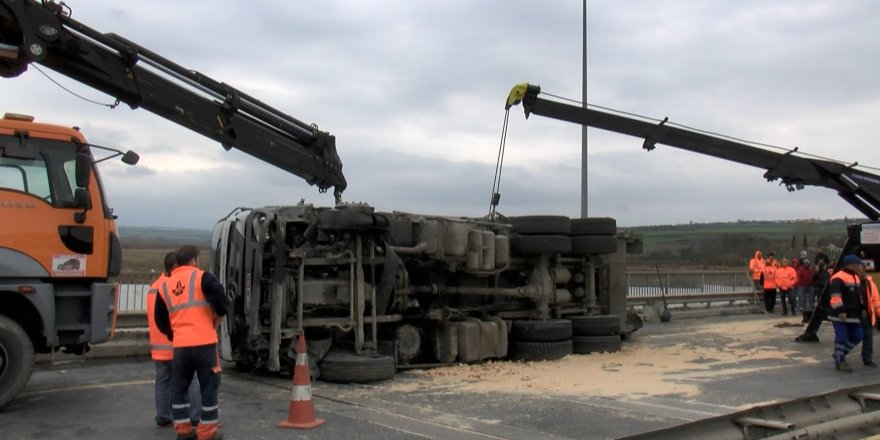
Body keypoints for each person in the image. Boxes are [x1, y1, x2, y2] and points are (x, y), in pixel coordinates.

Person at [155, 245, 229, 440]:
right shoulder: (202, 277)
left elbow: (160, 319)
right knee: (209, 386)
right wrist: (217, 318)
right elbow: (222, 299)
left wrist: (174, 334)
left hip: (180, 346)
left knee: (179, 388)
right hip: (204, 343)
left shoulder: (165, 285)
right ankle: (207, 431)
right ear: (194, 260)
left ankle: (183, 431)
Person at [147, 251, 202, 428]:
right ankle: (195, 416)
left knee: (162, 381)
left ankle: (163, 416)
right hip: (176, 343)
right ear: (175, 267)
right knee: (191, 380)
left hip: (158, 346)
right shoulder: (172, 287)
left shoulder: (153, 287)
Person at [828, 254, 866, 372]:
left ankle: (840, 353)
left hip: (854, 314)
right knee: (842, 337)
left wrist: (863, 308)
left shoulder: (856, 277)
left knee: (858, 335)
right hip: (840, 315)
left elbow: (859, 296)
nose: (859, 267)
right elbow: (835, 297)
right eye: (857, 264)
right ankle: (840, 361)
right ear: (851, 265)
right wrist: (841, 310)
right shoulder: (838, 278)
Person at [859, 260, 880, 368]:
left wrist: (878, 313)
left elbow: (876, 300)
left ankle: (867, 358)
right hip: (854, 315)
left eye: (860, 268)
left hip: (867, 314)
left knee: (868, 336)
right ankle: (841, 355)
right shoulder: (851, 281)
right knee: (853, 336)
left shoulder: (870, 282)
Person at [796, 258, 817, 323]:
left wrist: (814, 283)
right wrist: (799, 284)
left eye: (807, 263)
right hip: (803, 285)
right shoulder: (801, 270)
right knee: (803, 297)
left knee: (811, 298)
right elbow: (799, 277)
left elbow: (814, 276)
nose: (806, 264)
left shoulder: (812, 270)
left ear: (809, 264)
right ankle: (803, 308)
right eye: (805, 263)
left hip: (811, 285)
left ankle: (811, 308)